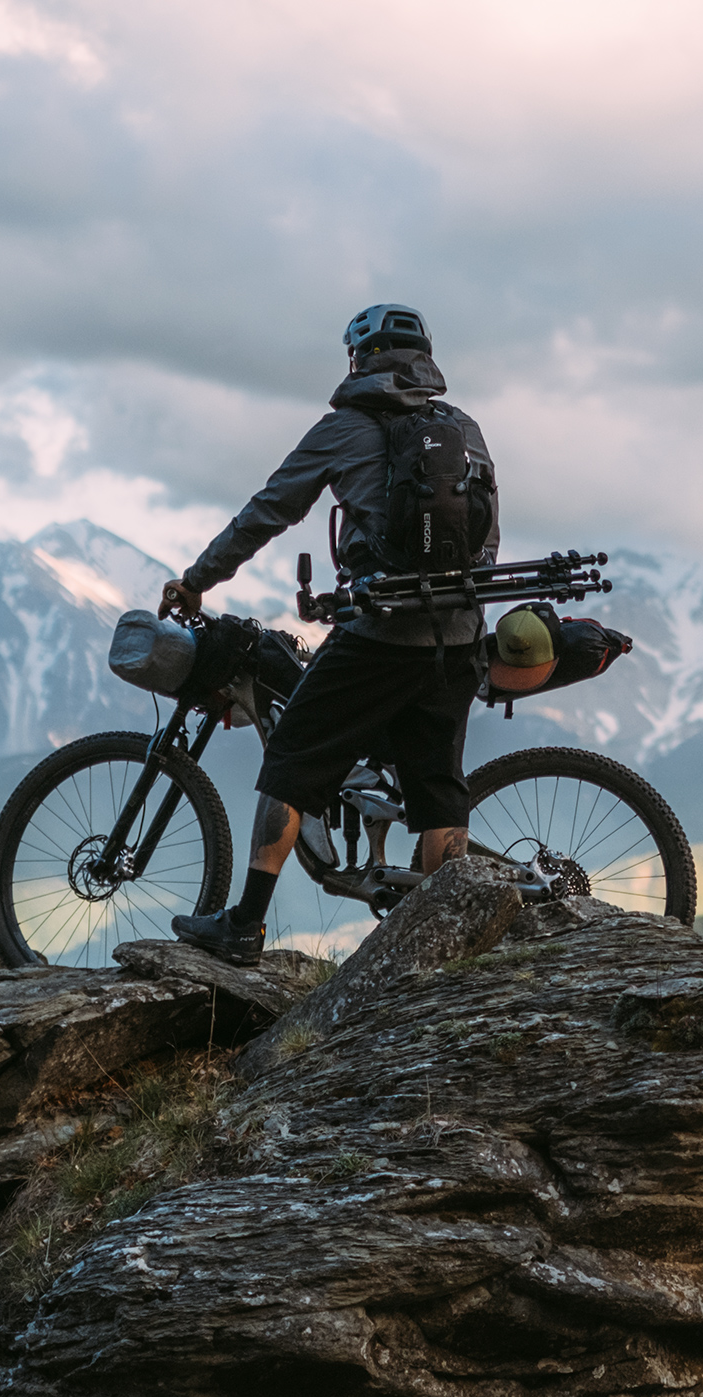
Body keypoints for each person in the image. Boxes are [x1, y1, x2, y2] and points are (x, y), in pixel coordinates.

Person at [160, 303, 498, 967]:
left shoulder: (344, 428)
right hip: (458, 634)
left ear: (360, 360)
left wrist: (199, 579)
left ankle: (245, 925)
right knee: (436, 788)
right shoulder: (464, 429)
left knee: (291, 755)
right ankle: (443, 952)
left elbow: (268, 510)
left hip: (380, 635)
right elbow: (485, 536)